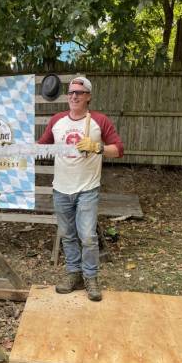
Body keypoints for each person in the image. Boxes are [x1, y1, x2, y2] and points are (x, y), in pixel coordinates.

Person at [38, 77, 124, 301]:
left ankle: (91, 277)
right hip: (61, 189)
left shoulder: (98, 121)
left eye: (79, 92)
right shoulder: (57, 121)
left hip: (87, 189)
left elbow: (119, 149)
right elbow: (41, 147)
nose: (74, 96)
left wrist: (97, 147)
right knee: (67, 235)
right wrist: (16, 149)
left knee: (87, 236)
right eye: (71, 92)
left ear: (88, 97)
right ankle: (73, 274)